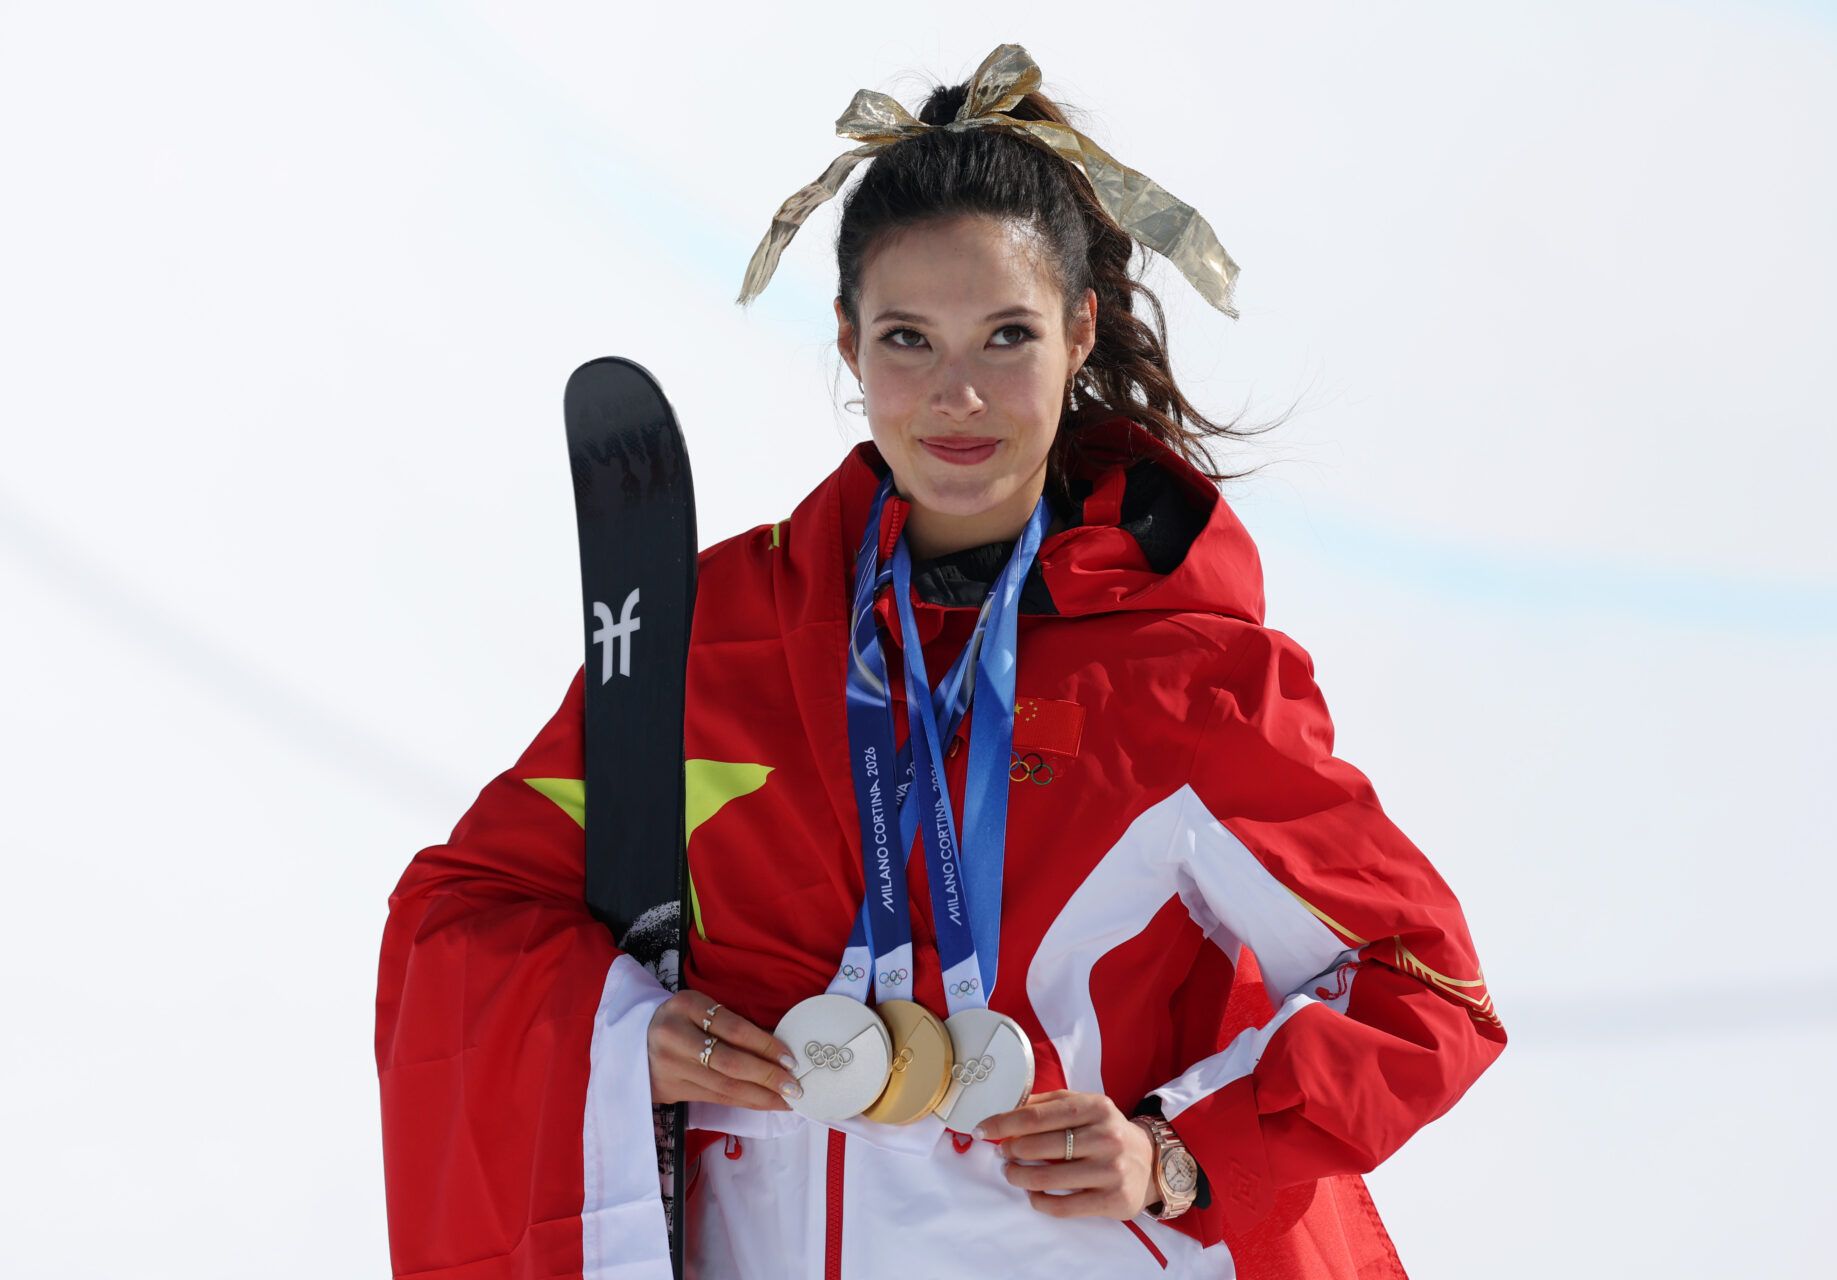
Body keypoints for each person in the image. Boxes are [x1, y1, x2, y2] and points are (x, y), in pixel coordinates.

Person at [375, 43, 1506, 1280]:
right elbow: (468, 916)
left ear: (1079, 333)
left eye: (1005, 335)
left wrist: (1174, 1155)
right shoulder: (723, 634)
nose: (956, 394)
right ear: (850, 344)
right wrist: (623, 1037)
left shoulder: (1187, 681)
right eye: (909, 337)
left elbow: (1423, 986)